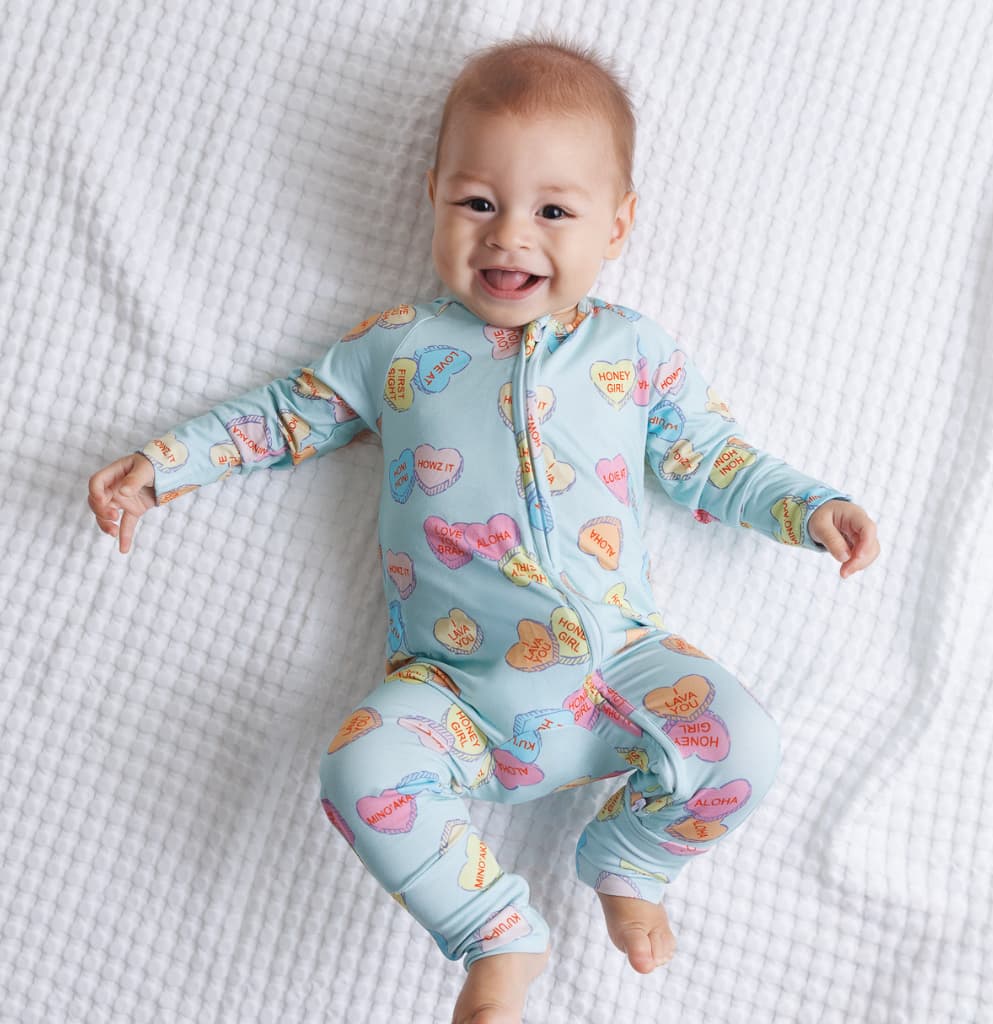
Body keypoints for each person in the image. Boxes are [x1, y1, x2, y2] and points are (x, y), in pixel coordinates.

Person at [88, 35, 879, 1024]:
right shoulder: (396, 348)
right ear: (432, 199)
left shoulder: (630, 350)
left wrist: (810, 508)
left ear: (617, 224)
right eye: (476, 203)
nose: (510, 238)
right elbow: (285, 417)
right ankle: (495, 931)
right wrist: (164, 464)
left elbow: (711, 460)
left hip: (620, 667)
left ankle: (632, 858)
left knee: (745, 745)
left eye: (553, 212)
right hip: (452, 684)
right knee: (357, 769)